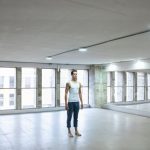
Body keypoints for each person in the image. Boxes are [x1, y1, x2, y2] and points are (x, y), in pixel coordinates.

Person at [65, 69, 83, 137]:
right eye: (74, 74)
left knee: (76, 117)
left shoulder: (79, 83)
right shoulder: (68, 83)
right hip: (70, 102)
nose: (75, 75)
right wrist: (66, 104)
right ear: (72, 75)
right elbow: (66, 93)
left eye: (76, 74)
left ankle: (76, 131)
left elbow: (80, 93)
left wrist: (81, 102)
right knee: (69, 117)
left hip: (77, 102)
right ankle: (69, 131)